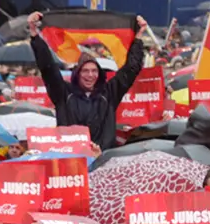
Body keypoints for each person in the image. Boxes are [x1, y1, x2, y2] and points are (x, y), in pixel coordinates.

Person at [27, 11, 150, 150]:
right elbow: (48, 68)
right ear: (77, 73)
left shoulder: (109, 93)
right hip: (72, 160)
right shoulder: (63, 93)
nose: (90, 75)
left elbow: (131, 69)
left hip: (102, 159)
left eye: (94, 71)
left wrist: (139, 36)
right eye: (85, 71)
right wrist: (34, 33)